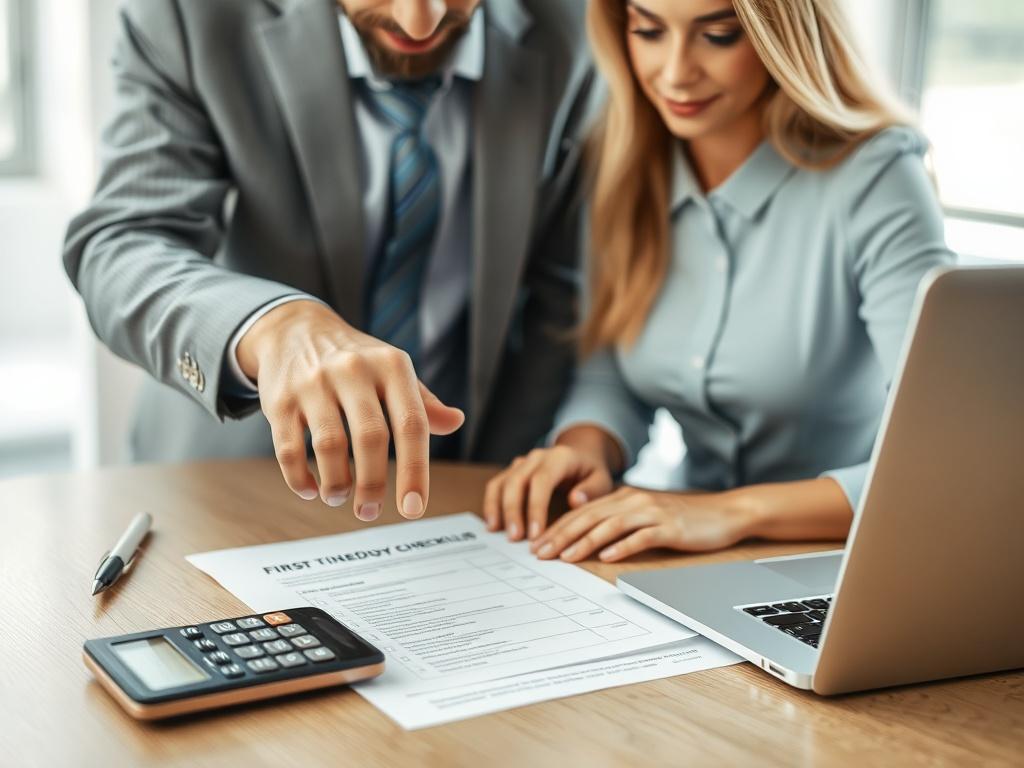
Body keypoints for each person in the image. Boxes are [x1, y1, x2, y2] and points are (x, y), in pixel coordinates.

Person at [64, 0, 597, 522]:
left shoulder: (578, 30)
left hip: (465, 498)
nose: (422, 20)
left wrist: (495, 476)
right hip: (227, 491)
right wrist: (271, 326)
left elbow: (563, 294)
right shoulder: (189, 15)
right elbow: (121, 245)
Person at [484, 0, 954, 561]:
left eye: (719, 36)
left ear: (782, 36)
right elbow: (612, 369)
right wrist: (586, 446)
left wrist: (727, 513)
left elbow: (950, 451)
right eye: (649, 31)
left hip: (857, 552)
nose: (676, 71)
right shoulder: (620, 163)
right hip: (690, 547)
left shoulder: (877, 176)